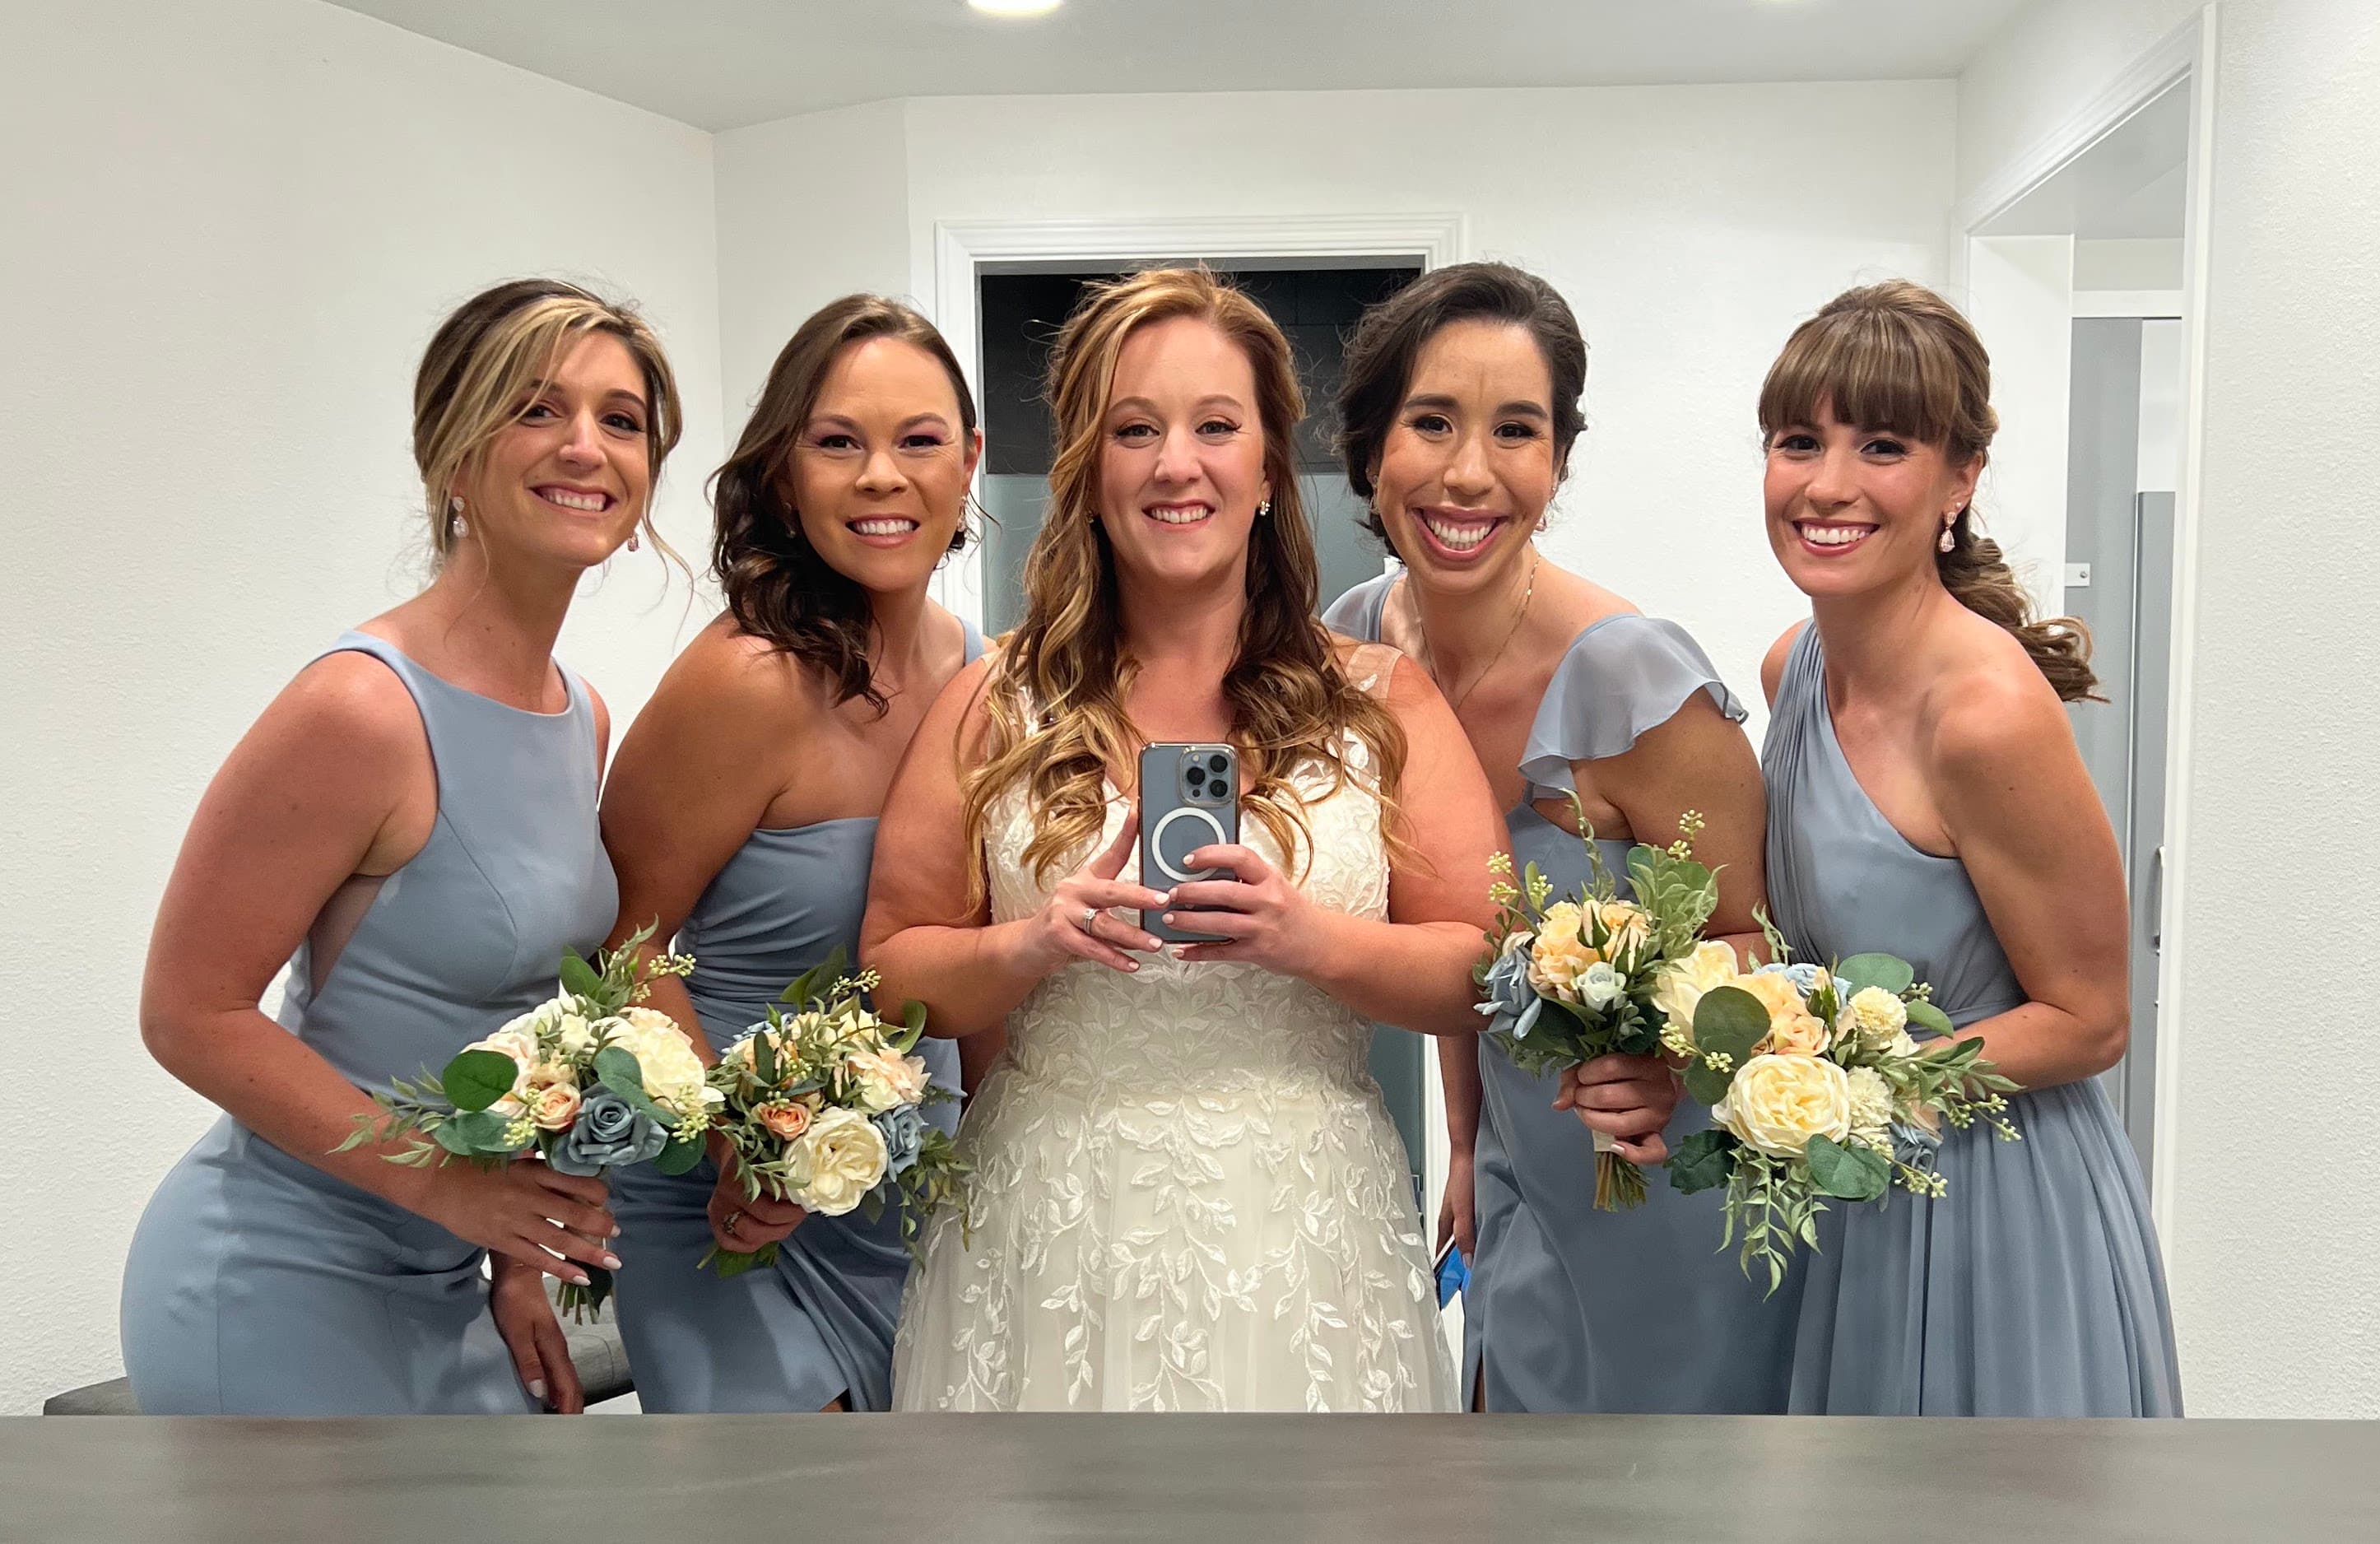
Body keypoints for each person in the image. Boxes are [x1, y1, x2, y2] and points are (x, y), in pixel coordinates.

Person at [863, 267, 1504, 1411]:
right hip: (1053, 1226)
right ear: (1088, 471)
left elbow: (1481, 969)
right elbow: (888, 972)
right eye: (1135, 429)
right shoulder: (989, 704)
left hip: (1302, 1233)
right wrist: (1028, 948)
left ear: (1267, 468)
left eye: (1216, 426)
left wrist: (1308, 938)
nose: (1176, 464)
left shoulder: (1380, 701)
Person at [120, 278, 681, 1414]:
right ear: (452, 454)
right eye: (537, 408)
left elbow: (544, 1018)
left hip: (446, 1279)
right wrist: (458, 1196)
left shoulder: (585, 715)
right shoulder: (362, 710)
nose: (585, 446)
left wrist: (515, 1258)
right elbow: (189, 1013)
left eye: (621, 421)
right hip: (278, 1274)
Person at [1324, 263, 1795, 1412]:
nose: (1468, 472)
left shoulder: (1633, 679)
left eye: (1516, 431)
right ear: (1372, 444)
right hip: (1514, 1171)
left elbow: (1760, 943)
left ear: (1559, 461)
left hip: (1659, 1175)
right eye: (1431, 422)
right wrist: (1465, 1146)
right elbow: (1453, 935)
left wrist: (1673, 1060)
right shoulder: (1347, 652)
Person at [1756, 278, 2180, 1416]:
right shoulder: (1789, 667)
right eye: (1799, 441)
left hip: (1999, 1205)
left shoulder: (1982, 711)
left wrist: (1855, 1082)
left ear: (1958, 479)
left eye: (1880, 445)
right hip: (1854, 1193)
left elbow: (2090, 1019)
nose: (1827, 485)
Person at [599, 295, 989, 1412]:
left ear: (969, 463)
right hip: (726, 1213)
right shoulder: (745, 680)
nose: (880, 476)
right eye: (837, 442)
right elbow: (624, 948)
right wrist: (742, 1143)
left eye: (917, 440)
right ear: (783, 473)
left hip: (905, 1198)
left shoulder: (983, 672)